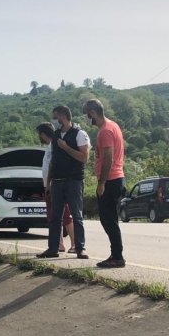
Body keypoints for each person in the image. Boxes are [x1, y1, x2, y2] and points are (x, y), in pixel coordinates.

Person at [37, 106, 89, 259]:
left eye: (55, 117)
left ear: (63, 116)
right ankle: (52, 248)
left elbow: (84, 158)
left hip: (74, 181)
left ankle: (80, 248)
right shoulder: (55, 137)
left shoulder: (80, 134)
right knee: (55, 217)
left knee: (76, 216)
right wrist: (48, 183)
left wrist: (66, 148)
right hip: (57, 182)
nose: (54, 121)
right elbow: (52, 161)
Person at [83, 99, 126, 268]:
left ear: (93, 113)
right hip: (115, 178)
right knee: (109, 219)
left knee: (108, 220)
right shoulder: (112, 125)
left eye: (87, 114)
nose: (87, 118)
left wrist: (102, 183)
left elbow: (108, 157)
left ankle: (117, 256)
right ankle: (116, 254)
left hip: (111, 180)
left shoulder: (105, 131)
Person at [36, 122, 75, 252]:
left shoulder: (55, 145)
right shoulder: (49, 146)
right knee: (53, 216)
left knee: (66, 215)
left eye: (39, 134)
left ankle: (75, 244)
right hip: (50, 186)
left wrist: (49, 184)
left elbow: (54, 166)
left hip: (55, 185)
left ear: (42, 134)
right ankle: (60, 244)